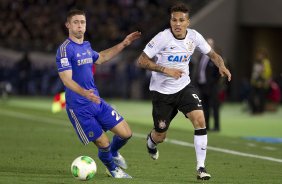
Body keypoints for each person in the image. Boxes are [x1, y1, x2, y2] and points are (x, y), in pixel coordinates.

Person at [137, 3, 231, 180]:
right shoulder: (162, 38)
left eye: (181, 20)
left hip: (183, 87)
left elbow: (213, 54)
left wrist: (222, 65)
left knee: (200, 120)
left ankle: (201, 168)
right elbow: (141, 61)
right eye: (174, 20)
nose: (177, 24)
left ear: (188, 22)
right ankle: (151, 141)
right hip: (162, 93)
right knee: (160, 134)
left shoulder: (194, 37)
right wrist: (166, 70)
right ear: (170, 21)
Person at [56, 9, 141, 178]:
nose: (80, 26)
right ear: (68, 25)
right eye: (76, 22)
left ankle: (114, 153)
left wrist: (123, 44)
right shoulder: (65, 50)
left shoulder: (86, 46)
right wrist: (84, 93)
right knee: (104, 143)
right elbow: (66, 80)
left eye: (82, 22)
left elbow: (101, 57)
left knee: (126, 133)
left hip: (96, 101)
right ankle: (114, 170)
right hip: (79, 107)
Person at [196, 38, 221, 131]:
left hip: (212, 87)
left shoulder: (215, 57)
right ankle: (206, 125)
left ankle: (217, 126)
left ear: (212, 46)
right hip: (202, 86)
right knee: (204, 107)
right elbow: (199, 70)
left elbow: (218, 73)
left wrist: (213, 83)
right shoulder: (201, 56)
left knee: (214, 106)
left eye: (210, 44)